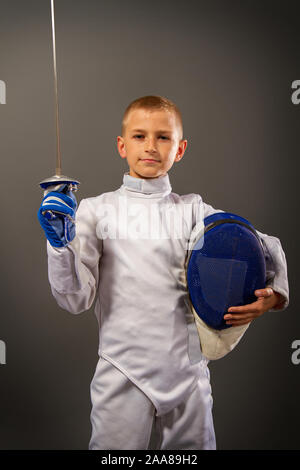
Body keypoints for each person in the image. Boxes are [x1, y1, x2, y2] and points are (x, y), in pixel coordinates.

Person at [38, 95, 289, 450]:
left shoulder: (193, 210)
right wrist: (60, 246)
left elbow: (257, 242)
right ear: (122, 146)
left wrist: (275, 292)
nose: (151, 147)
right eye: (139, 136)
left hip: (187, 375)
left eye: (163, 137)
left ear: (180, 149)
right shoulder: (96, 211)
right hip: (121, 371)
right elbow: (75, 298)